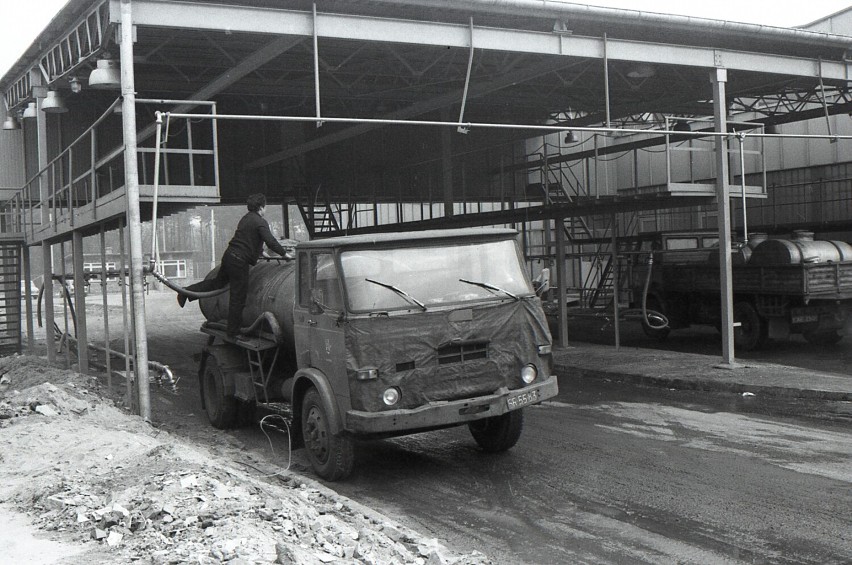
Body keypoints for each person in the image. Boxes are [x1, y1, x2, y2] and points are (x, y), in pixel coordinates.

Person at [178, 193, 289, 339]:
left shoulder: (246, 219)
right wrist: (284, 254)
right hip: (239, 262)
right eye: (265, 206)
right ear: (262, 207)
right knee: (238, 297)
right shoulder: (260, 221)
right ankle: (233, 332)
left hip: (230, 256)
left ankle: (186, 292)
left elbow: (246, 238)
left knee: (217, 283)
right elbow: (271, 241)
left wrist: (261, 252)